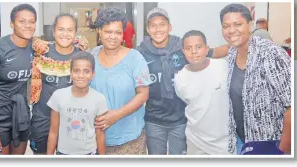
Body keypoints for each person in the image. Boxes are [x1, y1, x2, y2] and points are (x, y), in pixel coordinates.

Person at [136, 7, 229, 155]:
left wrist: (242, 45)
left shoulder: (183, 48)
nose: (158, 29)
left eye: (162, 24)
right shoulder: (140, 53)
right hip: (153, 119)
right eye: (153, 25)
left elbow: (215, 52)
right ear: (148, 29)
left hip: (179, 119)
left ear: (170, 27)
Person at [220, 3, 291, 154]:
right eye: (226, 26)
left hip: (270, 144)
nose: (231, 30)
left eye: (237, 24)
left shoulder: (271, 53)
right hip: (241, 142)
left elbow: (293, 106)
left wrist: (282, 151)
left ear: (250, 25)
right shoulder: (233, 53)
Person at [90, 8, 151, 155]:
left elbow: (143, 94)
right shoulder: (92, 55)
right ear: (99, 32)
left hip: (130, 139)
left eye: (118, 32)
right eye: (108, 32)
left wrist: (116, 115)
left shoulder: (135, 58)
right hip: (96, 138)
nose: (113, 37)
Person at [0, 4, 37, 155]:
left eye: (31, 21)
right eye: (22, 21)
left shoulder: (35, 46)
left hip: (21, 113)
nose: (28, 25)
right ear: (12, 24)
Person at [29, 13, 81, 155]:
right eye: (61, 29)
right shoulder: (41, 53)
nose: (65, 34)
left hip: (72, 122)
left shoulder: (82, 56)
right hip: (42, 120)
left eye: (70, 30)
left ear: (75, 33)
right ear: (53, 31)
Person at [174, 30, 230, 155]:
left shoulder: (223, 67)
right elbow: (185, 100)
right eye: (188, 48)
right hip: (196, 141)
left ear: (206, 48)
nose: (194, 52)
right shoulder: (180, 78)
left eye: (198, 47)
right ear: (183, 51)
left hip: (225, 142)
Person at [47, 51, 108, 155]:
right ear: (70, 73)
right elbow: (53, 132)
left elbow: (100, 134)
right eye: (76, 71)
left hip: (89, 153)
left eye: (86, 71)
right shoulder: (58, 96)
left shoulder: (99, 99)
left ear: (93, 74)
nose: (81, 75)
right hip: (63, 153)